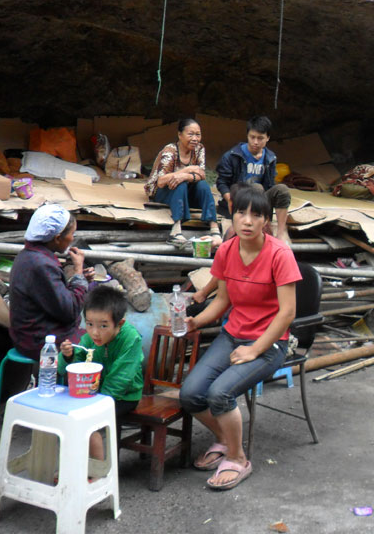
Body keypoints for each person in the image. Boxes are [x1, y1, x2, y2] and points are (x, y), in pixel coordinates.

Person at [179, 186, 301, 491]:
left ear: (266, 221)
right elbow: (222, 301)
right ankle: (224, 439)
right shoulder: (226, 251)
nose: (247, 221)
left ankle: (237, 458)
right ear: (232, 217)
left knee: (219, 394)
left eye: (256, 215)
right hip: (233, 335)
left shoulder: (280, 254)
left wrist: (254, 349)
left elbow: (287, 313)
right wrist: (196, 321)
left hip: (270, 343)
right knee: (190, 394)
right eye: (241, 213)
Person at [58, 285, 143, 460]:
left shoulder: (131, 338)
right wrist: (67, 356)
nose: (95, 332)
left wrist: (98, 404)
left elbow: (121, 378)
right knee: (65, 415)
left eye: (103, 326)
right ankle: (72, 464)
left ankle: (102, 469)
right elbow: (68, 368)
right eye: (89, 324)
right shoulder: (89, 338)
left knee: (92, 421)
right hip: (94, 393)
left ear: (119, 323)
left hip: (124, 396)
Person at [9, 204, 94, 360]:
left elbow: (51, 296)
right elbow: (70, 311)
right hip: (40, 342)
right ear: (57, 238)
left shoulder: (27, 255)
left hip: (27, 336)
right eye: (72, 234)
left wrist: (80, 279)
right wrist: (78, 272)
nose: (72, 239)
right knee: (101, 342)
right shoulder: (42, 265)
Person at [144, 117, 221, 249]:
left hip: (184, 193)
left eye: (198, 134)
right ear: (180, 135)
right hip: (163, 193)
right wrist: (186, 171)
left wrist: (184, 176)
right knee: (180, 183)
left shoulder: (199, 149)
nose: (195, 139)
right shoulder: (170, 151)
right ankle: (176, 230)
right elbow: (161, 181)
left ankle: (214, 228)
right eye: (190, 134)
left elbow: (202, 174)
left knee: (202, 185)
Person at [215, 115, 292, 246]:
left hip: (260, 200)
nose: (255, 142)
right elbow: (222, 183)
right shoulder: (232, 155)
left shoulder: (270, 158)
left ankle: (281, 231)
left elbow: (270, 186)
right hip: (239, 199)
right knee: (256, 188)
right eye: (252, 137)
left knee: (282, 189)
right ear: (247, 135)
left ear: (268, 138)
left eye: (260, 138)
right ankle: (260, 227)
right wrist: (229, 199)